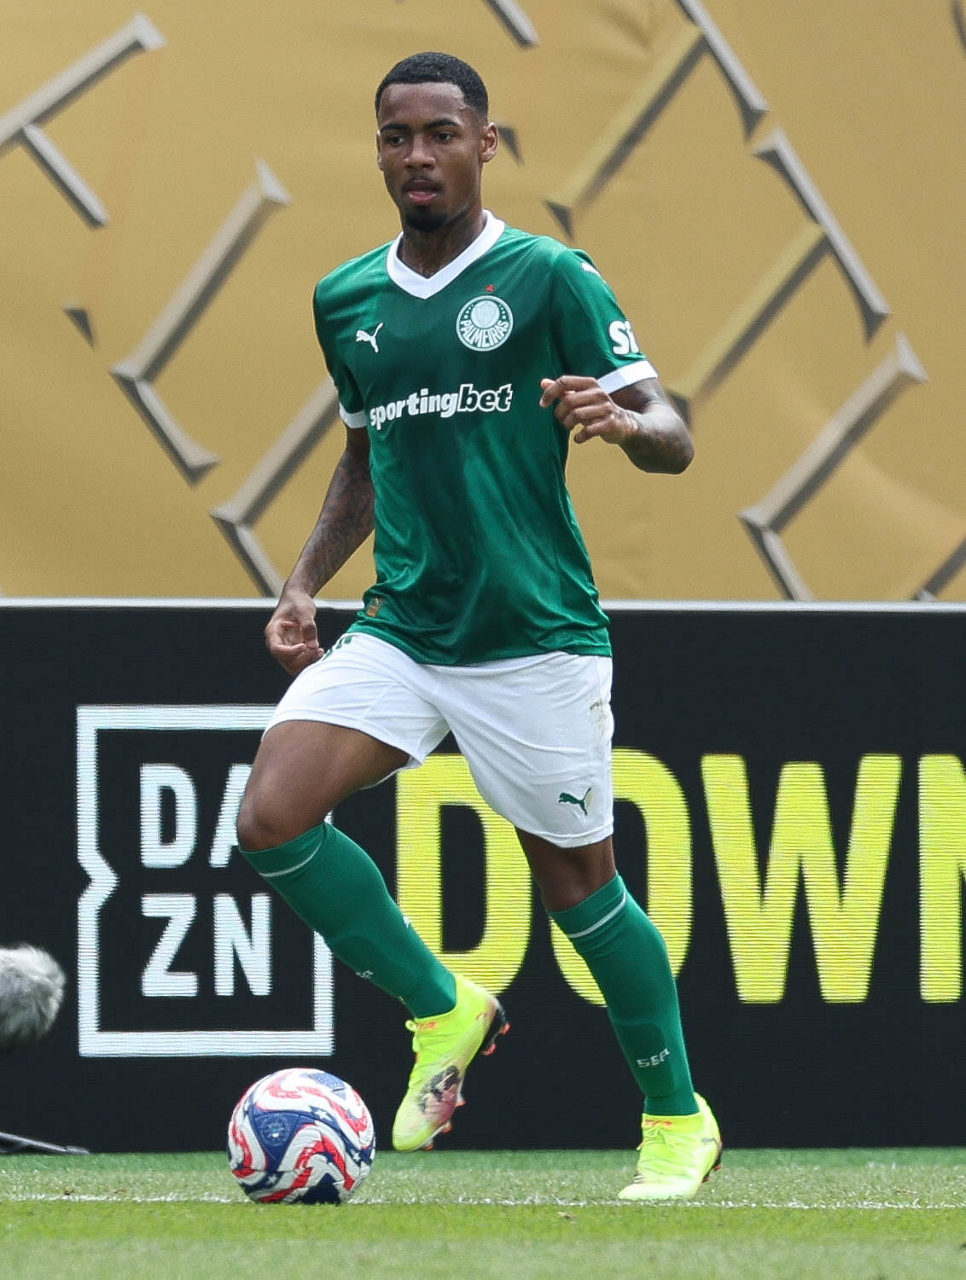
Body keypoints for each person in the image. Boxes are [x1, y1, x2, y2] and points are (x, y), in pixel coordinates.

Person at [236, 50, 720, 1201]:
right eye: (397, 136)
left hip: (533, 635)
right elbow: (366, 454)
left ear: (485, 145)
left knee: (581, 894)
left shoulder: (548, 277)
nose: (419, 155)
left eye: (442, 134)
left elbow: (674, 431)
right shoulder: (346, 299)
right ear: (378, 150)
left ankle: (676, 1117)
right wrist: (304, 580)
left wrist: (625, 421)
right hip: (404, 627)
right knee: (271, 815)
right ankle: (442, 1004)